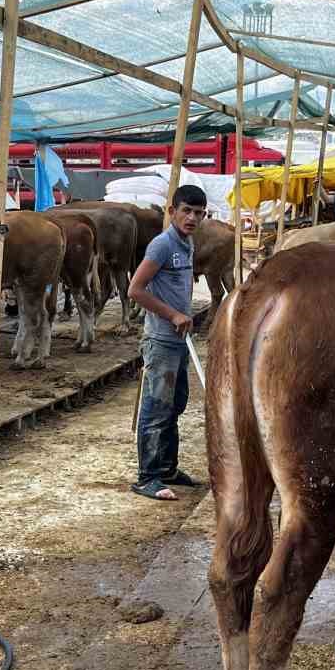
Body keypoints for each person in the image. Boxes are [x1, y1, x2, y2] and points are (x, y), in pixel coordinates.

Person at [126, 183, 207, 501]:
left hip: (179, 339)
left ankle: (168, 468)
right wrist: (173, 315)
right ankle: (148, 476)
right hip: (161, 339)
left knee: (175, 404)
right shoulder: (162, 245)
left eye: (198, 213)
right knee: (156, 407)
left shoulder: (187, 244)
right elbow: (135, 289)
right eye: (186, 211)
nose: (192, 218)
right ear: (172, 211)